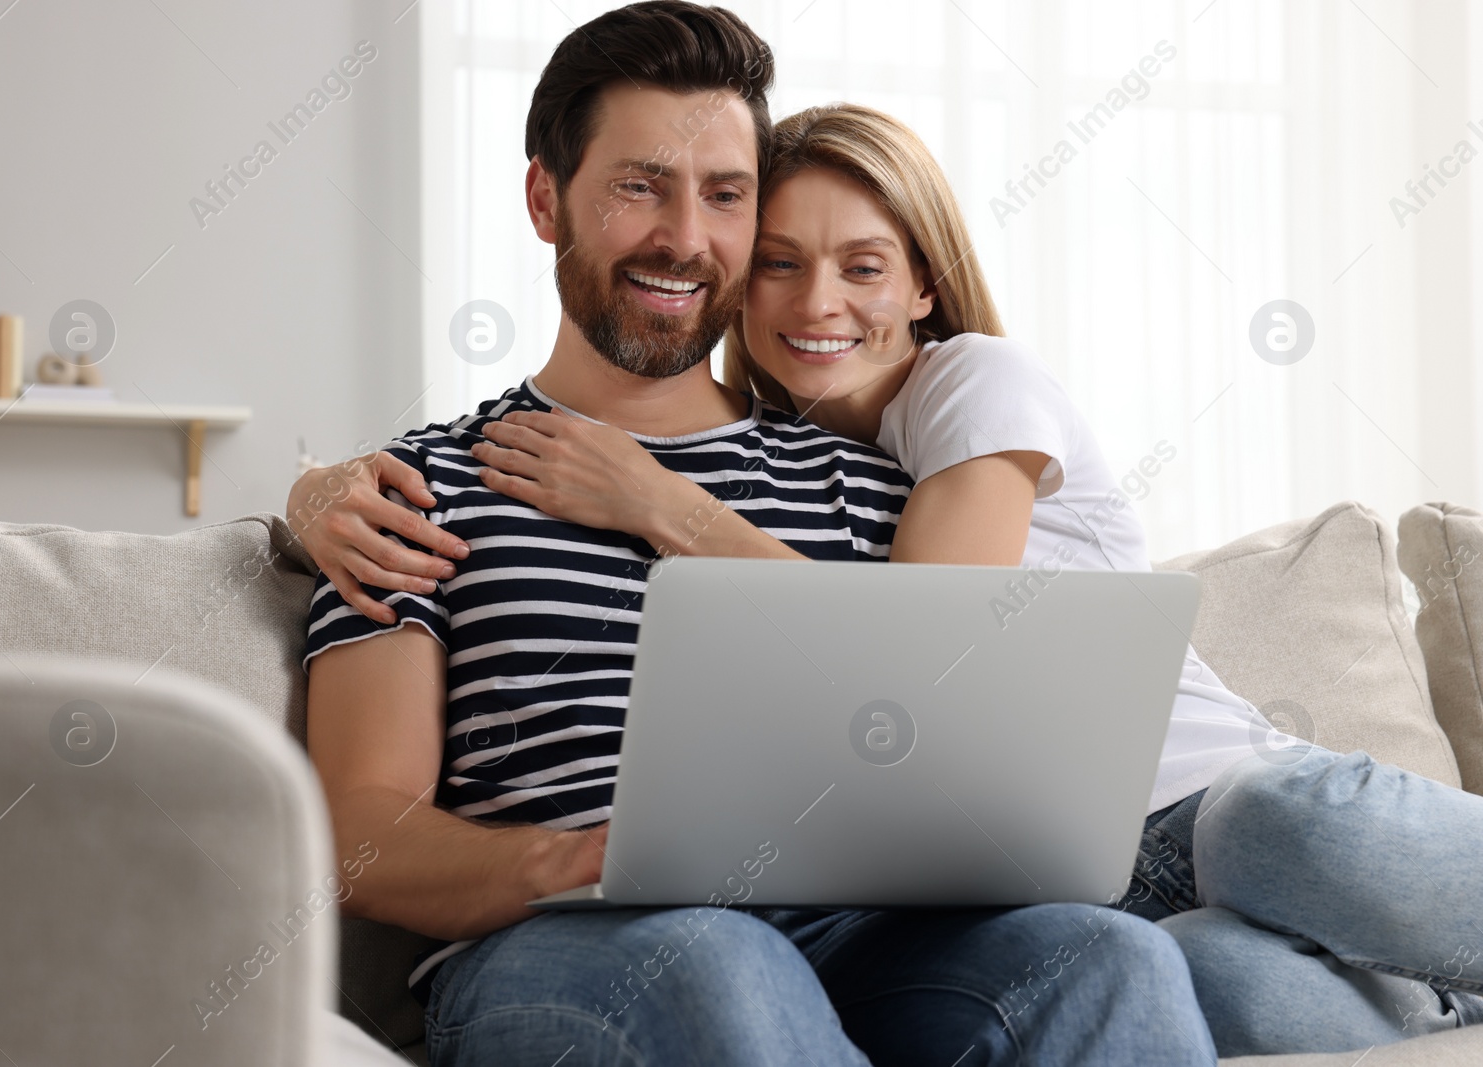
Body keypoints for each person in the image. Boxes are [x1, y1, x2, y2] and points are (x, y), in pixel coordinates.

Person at [298, 90, 1483, 1058]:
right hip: (592, 937)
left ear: (922, 284)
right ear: (545, 199)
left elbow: (927, 654)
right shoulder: (412, 492)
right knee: (724, 951)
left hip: (1122, 841)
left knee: (1121, 949)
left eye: (717, 196)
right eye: (638, 187)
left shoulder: (919, 441)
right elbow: (358, 825)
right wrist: (308, 500)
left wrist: (665, 505)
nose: (684, 235)